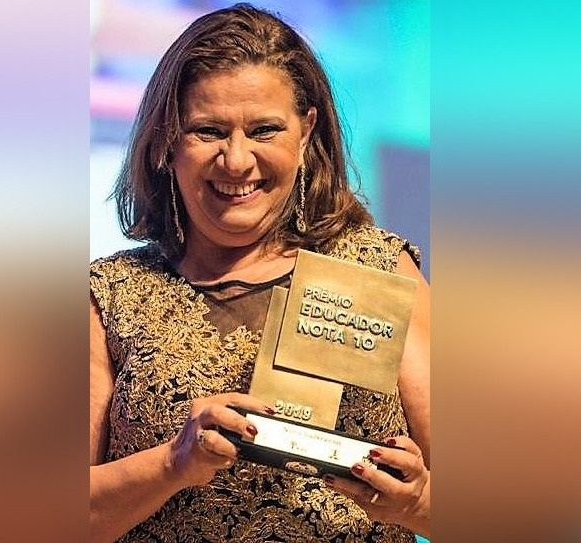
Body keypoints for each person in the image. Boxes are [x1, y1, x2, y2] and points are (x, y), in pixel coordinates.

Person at [90, 3, 430, 542]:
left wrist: (416, 503)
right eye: (208, 131)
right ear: (166, 141)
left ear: (306, 131)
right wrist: (173, 463)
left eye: (265, 130)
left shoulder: (377, 270)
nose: (236, 160)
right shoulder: (111, 295)